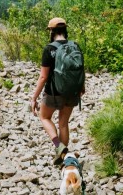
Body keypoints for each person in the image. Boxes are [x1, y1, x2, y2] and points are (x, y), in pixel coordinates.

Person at [30, 17, 85, 165]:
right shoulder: (75, 46)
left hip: (53, 92)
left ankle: (58, 146)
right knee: (63, 123)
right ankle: (64, 159)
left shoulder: (49, 49)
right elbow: (80, 69)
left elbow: (43, 77)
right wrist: (81, 87)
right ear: (65, 30)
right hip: (72, 91)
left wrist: (34, 98)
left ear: (51, 31)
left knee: (44, 117)